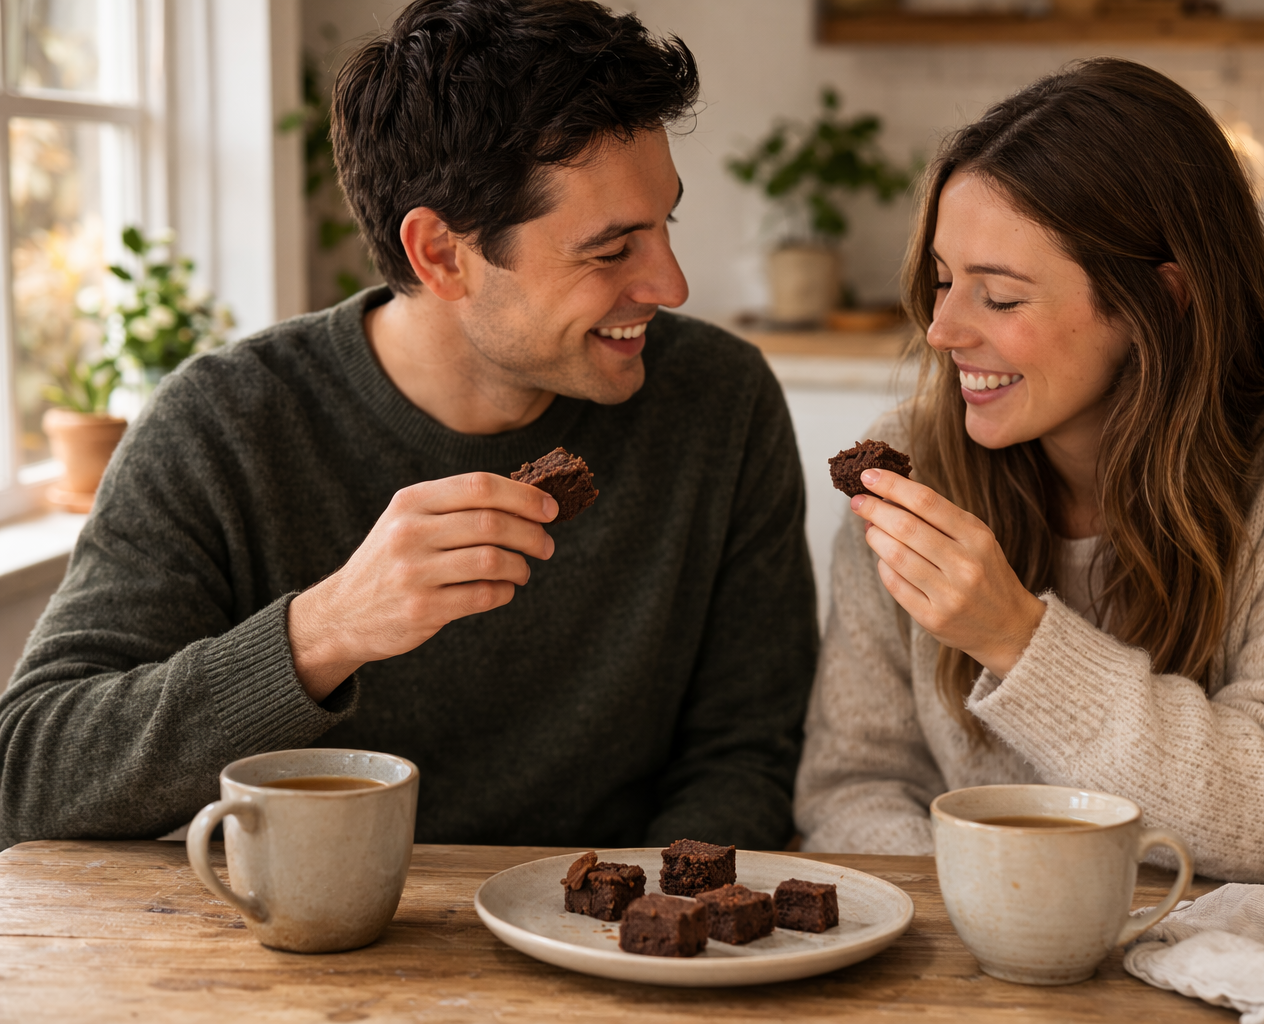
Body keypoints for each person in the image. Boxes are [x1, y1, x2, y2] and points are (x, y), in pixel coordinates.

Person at [0, 0, 817, 852]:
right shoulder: (222, 425)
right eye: (611, 250)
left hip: (618, 946)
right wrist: (326, 630)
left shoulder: (719, 401)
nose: (671, 285)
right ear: (440, 254)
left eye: (666, 224)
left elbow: (746, 755)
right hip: (311, 953)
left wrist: (641, 930)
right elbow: (25, 779)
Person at [794, 58, 1264, 884]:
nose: (941, 331)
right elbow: (853, 790)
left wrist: (1014, 638)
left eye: (1001, 298)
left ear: (1160, 299)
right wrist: (1016, 921)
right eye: (943, 282)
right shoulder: (914, 464)